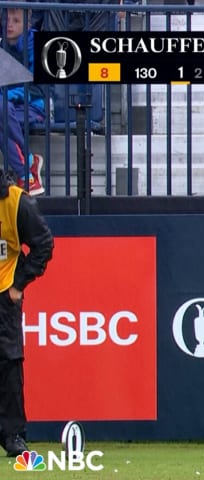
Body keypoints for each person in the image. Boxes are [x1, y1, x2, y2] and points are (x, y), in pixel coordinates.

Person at [0, 168, 54, 457]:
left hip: (3, 290)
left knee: (8, 363)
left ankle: (13, 436)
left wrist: (18, 284)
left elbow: (44, 244)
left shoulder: (17, 203)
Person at [1, 8, 46, 196]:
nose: (9, 24)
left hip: (34, 105)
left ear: (27, 25)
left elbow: (35, 88)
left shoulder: (35, 45)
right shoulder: (2, 46)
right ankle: (27, 166)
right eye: (7, 19)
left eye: (16, 21)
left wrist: (7, 96)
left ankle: (25, 168)